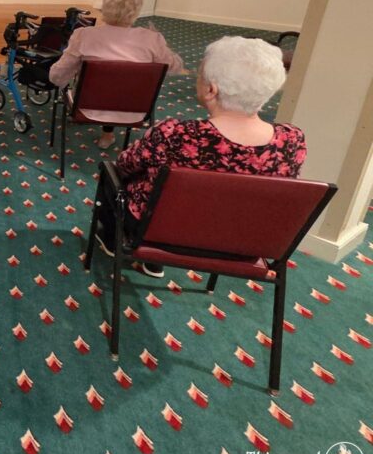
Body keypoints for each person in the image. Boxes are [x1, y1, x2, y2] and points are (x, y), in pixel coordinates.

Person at [97, 36, 307, 278]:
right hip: (241, 241)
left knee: (111, 174)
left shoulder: (175, 134)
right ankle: (153, 262)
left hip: (161, 232)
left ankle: (123, 246)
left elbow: (126, 164)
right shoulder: (293, 141)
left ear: (210, 90)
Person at [49, 0, 185, 149]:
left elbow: (57, 76)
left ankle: (107, 133)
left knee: (98, 85)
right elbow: (175, 67)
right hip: (135, 111)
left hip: (87, 109)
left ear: (104, 7)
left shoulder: (84, 35)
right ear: (135, 11)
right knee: (121, 85)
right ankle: (108, 135)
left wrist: (61, 82)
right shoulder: (152, 39)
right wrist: (164, 47)